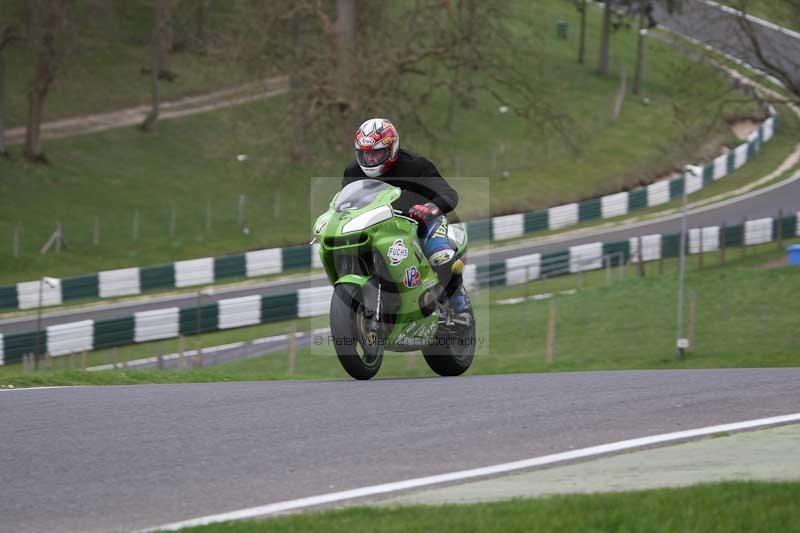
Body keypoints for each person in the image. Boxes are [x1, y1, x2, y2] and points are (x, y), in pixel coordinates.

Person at [341, 118, 470, 313]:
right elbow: (345, 204)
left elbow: (449, 194)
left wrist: (431, 208)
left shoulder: (416, 166)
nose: (371, 160)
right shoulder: (353, 172)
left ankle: (457, 299)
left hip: (421, 223)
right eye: (365, 154)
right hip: (377, 228)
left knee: (440, 256)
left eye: (377, 153)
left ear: (392, 149)